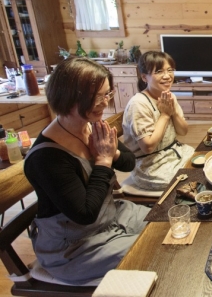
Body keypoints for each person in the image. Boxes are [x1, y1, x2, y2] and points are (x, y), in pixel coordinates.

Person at [24, 57, 149, 285]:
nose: (104, 103)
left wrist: (113, 153)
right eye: (96, 97)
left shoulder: (90, 125)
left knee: (161, 225)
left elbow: (129, 162)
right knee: (152, 248)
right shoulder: (47, 157)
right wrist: (102, 159)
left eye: (107, 94)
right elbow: (84, 214)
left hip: (110, 216)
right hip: (74, 246)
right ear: (68, 96)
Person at [123, 51, 194, 190]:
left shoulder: (169, 96)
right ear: (144, 77)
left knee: (207, 163)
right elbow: (148, 147)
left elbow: (183, 131)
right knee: (195, 176)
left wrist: (173, 112)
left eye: (170, 70)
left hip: (173, 153)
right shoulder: (138, 104)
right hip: (150, 166)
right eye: (159, 71)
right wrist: (165, 115)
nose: (167, 76)